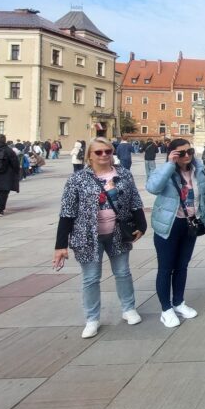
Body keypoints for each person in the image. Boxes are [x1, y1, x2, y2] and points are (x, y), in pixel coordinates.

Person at [53, 137, 147, 338]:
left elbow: (134, 201)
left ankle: (128, 308)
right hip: (87, 236)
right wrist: (61, 245)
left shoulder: (123, 174)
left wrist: (142, 225)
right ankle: (92, 318)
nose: (104, 155)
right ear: (89, 156)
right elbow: (67, 212)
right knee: (91, 278)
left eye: (107, 151)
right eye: (99, 152)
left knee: (123, 272)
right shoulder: (77, 179)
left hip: (117, 233)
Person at [146, 138, 205, 328]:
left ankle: (179, 302)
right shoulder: (166, 171)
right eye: (181, 153)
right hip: (169, 224)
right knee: (166, 267)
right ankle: (166, 309)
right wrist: (169, 165)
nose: (187, 156)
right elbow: (153, 187)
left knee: (182, 266)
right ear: (172, 153)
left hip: (189, 224)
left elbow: (204, 197)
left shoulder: (198, 171)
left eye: (189, 151)